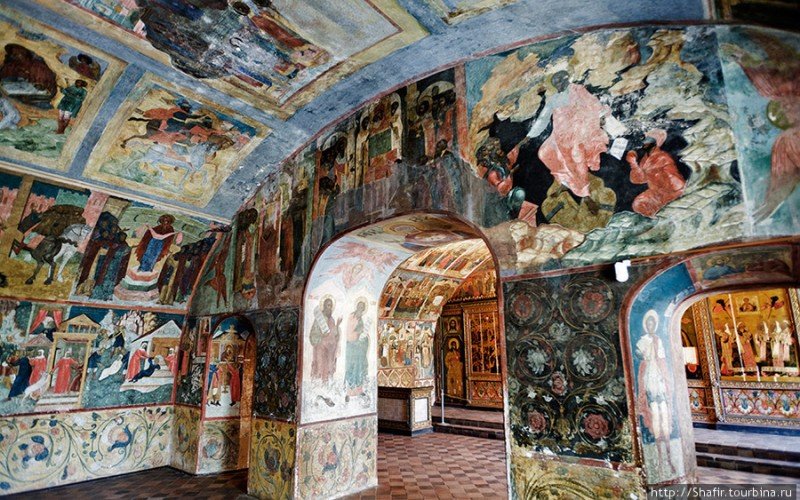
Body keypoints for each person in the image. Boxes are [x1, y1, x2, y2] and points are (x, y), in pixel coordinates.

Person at [636, 310, 675, 475]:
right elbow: (641, 357)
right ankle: (659, 461)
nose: (651, 326)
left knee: (665, 418)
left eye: (653, 323)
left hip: (659, 379)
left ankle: (670, 459)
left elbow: (663, 360)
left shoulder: (659, 340)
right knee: (654, 419)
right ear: (646, 325)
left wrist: (666, 380)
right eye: (649, 324)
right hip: (649, 380)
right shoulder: (642, 341)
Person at [625, 129, 686, 217]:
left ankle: (661, 218)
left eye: (648, 139)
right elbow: (637, 179)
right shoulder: (646, 158)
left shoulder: (662, 157)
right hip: (658, 192)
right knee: (638, 204)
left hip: (673, 192)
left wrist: (633, 162)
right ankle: (656, 218)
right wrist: (633, 163)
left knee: (644, 205)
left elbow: (643, 175)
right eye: (645, 139)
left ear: (655, 142)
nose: (644, 142)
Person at [309, 297, 341, 381]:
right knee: (320, 369)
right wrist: (321, 335)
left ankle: (326, 384)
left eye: (331, 306)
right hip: (321, 349)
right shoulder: (319, 319)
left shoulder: (332, 320)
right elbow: (312, 335)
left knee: (328, 371)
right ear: (324, 306)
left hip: (329, 350)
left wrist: (337, 325)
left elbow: (335, 335)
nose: (330, 308)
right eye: (328, 305)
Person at [345, 300, 369, 396]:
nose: (361, 309)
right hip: (352, 347)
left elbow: (362, 332)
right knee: (352, 367)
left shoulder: (361, 318)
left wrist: (364, 336)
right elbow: (349, 332)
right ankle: (350, 390)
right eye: (360, 306)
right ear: (357, 307)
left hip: (359, 348)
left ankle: (359, 389)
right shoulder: (352, 317)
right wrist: (358, 333)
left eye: (362, 308)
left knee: (360, 367)